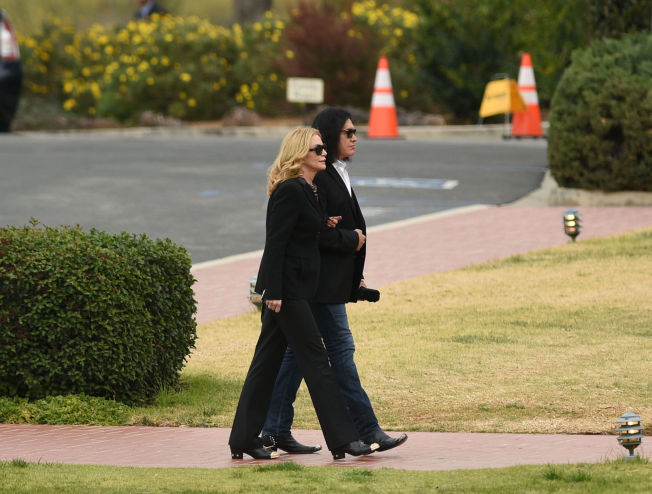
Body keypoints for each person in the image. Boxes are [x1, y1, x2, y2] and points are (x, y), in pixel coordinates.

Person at [261, 108, 408, 454]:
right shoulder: (318, 178)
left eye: (356, 131)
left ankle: (274, 429)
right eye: (348, 132)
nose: (355, 137)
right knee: (341, 353)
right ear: (328, 137)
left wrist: (354, 276)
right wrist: (350, 240)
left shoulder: (334, 172)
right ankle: (367, 428)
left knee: (295, 357)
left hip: (328, 283)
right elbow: (313, 234)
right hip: (317, 285)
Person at [229, 127, 379, 460]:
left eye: (324, 148)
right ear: (300, 155)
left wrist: (325, 226)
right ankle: (343, 439)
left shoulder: (311, 191)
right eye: (318, 149)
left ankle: (242, 438)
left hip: (299, 289)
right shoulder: (290, 191)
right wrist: (273, 291)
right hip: (288, 292)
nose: (325, 152)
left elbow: (306, 236)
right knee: (317, 361)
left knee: (265, 364)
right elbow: (276, 243)